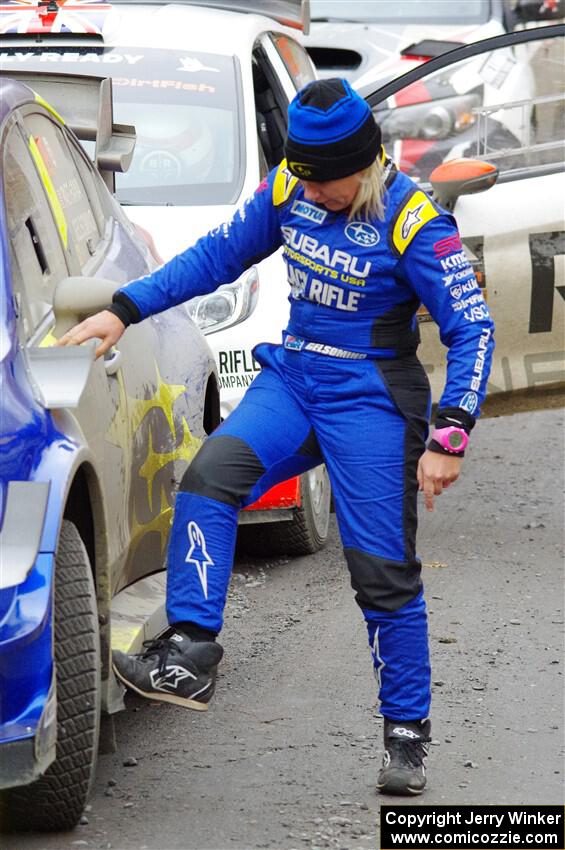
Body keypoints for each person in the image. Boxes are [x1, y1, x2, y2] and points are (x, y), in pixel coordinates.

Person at [58, 78, 495, 796]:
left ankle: (405, 736)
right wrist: (123, 309)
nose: (314, 191)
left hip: (373, 399)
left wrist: (449, 433)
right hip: (292, 378)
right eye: (306, 175)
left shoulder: (414, 222)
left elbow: (471, 328)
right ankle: (192, 652)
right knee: (208, 480)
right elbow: (217, 255)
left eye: (329, 180)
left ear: (368, 161)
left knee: (380, 575)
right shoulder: (288, 187)